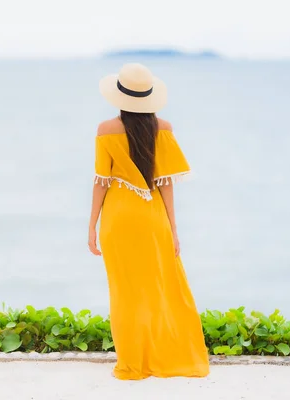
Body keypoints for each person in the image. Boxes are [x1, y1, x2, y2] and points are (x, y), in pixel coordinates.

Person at [88, 63, 210, 380]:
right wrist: (173, 229)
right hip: (153, 217)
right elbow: (166, 183)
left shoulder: (105, 130)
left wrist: (91, 227)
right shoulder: (163, 129)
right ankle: (163, 355)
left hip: (118, 217)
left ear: (119, 96)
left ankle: (132, 363)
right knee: (160, 288)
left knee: (125, 292)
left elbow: (101, 182)